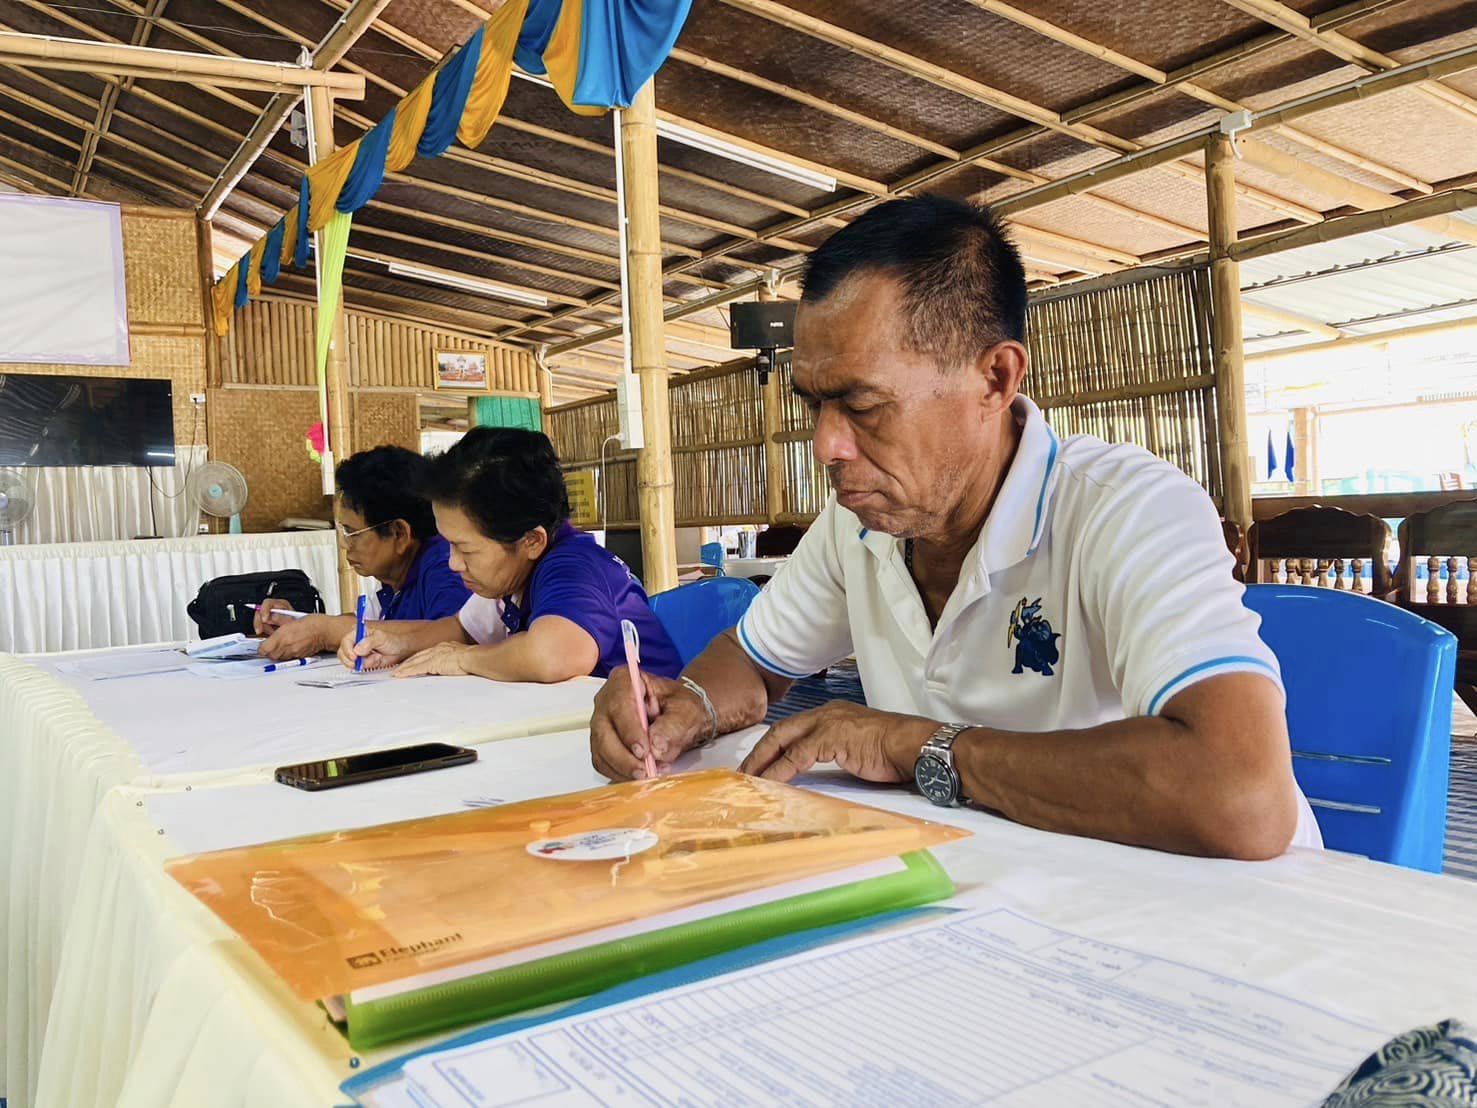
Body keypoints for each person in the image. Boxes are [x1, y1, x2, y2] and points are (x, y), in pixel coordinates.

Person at [589, 195, 1320, 862]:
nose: (826, 446)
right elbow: (753, 662)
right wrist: (686, 707)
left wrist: (920, 747)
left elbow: (1240, 797)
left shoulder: (1124, 509)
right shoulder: (860, 525)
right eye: (814, 405)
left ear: (995, 379)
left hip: (1208, 915)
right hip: (992, 892)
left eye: (863, 406)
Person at [341, 427, 682, 683]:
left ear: (531, 540)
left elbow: (552, 655)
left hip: (656, 743)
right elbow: (461, 629)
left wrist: (463, 659)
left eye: (465, 548)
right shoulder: (512, 575)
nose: (453, 563)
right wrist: (395, 643)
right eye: (448, 545)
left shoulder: (576, 567)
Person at [256, 445, 469, 660]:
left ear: (399, 534)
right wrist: (298, 626)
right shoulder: (396, 577)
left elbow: (452, 639)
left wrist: (326, 632)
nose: (344, 544)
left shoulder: (447, 568)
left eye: (352, 532)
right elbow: (373, 624)